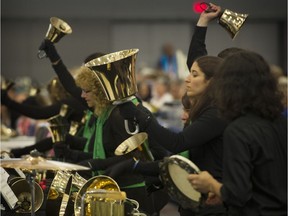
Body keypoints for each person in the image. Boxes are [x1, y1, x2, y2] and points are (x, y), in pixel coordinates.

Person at [40, 39, 170, 215]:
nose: (82, 96)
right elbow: (73, 88)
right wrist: (54, 57)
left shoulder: (119, 114)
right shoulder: (105, 111)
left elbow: (134, 157)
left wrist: (92, 163)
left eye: (87, 91)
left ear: (100, 92)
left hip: (131, 191)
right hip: (117, 186)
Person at [109, 55, 228, 216]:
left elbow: (177, 142)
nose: (187, 79)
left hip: (211, 206)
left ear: (211, 81)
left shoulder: (215, 113)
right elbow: (180, 163)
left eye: (194, 74)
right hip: (197, 203)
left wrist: (141, 117)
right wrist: (137, 167)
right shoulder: (204, 113)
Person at [187, 50, 287, 216]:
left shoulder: (238, 131)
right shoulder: (281, 123)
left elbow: (237, 194)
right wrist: (222, 192)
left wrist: (211, 184)